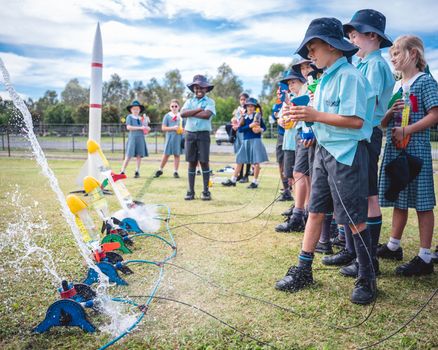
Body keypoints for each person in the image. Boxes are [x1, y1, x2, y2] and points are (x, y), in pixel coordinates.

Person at [275, 17, 376, 305]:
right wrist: (295, 114)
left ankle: (367, 277)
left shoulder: (350, 77)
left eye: (313, 47)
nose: (309, 54)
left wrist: (314, 116)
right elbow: (314, 111)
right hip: (323, 151)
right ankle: (304, 270)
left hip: (346, 154)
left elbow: (356, 121)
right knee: (316, 211)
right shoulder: (326, 77)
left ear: (332, 46)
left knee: (354, 218)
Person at [336, 9, 395, 277]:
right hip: (359, 135)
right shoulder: (362, 63)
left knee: (370, 195)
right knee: (361, 194)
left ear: (372, 36)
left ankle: (368, 259)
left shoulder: (376, 65)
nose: (350, 40)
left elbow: (363, 102)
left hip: (367, 134)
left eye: (353, 34)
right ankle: (360, 255)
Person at [377, 35, 438, 276]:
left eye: (397, 53)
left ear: (413, 54)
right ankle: (394, 245)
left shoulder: (425, 82)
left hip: (416, 151)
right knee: (399, 198)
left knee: (422, 202)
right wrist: (389, 113)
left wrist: (407, 129)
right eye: (391, 54)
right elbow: (382, 123)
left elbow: (435, 115)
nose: (392, 58)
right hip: (395, 149)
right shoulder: (395, 86)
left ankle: (424, 257)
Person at [274, 69, 307, 232]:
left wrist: (289, 111)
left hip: (302, 138)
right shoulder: (291, 99)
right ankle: (298, 208)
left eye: (293, 82)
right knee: (293, 175)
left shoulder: (304, 96)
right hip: (292, 140)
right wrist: (283, 116)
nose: (290, 85)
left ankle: (301, 212)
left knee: (301, 176)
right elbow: (281, 119)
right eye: (289, 83)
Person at [180, 75, 216, 201]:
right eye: (196, 87)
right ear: (193, 88)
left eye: (202, 87)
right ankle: (190, 191)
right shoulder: (189, 101)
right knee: (192, 162)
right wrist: (199, 109)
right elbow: (183, 114)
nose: (199, 89)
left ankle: (206, 191)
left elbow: (207, 115)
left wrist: (192, 112)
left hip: (203, 135)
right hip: (190, 134)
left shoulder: (210, 102)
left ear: (206, 89)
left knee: (204, 162)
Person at [222, 98, 268, 188]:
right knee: (239, 160)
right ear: (246, 107)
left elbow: (264, 127)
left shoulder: (258, 116)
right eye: (248, 106)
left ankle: (255, 182)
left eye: (252, 106)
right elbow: (240, 129)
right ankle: (233, 180)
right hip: (246, 141)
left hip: (256, 141)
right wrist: (250, 126)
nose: (250, 108)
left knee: (256, 162)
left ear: (255, 107)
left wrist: (260, 129)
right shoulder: (244, 117)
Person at [154, 99, 184, 179]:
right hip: (170, 137)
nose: (174, 108)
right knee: (166, 154)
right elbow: (163, 128)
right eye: (172, 106)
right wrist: (172, 128)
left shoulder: (181, 116)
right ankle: (160, 169)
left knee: (177, 155)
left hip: (178, 138)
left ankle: (175, 171)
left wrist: (182, 130)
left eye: (176, 106)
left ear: (179, 107)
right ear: (170, 107)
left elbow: (184, 128)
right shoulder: (167, 116)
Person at [120, 100, 150, 178]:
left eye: (137, 109)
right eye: (134, 109)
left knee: (139, 155)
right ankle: (122, 171)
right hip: (132, 138)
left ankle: (137, 171)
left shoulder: (141, 118)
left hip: (140, 138)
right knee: (128, 155)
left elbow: (145, 128)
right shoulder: (129, 117)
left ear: (139, 110)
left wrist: (147, 128)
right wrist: (140, 127)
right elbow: (128, 127)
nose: (136, 110)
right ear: (131, 110)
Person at [231, 92, 252, 183]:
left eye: (244, 99)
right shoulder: (238, 110)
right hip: (239, 134)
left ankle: (246, 175)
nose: (243, 101)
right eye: (241, 99)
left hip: (246, 134)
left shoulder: (249, 110)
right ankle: (240, 174)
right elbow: (234, 120)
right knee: (240, 155)